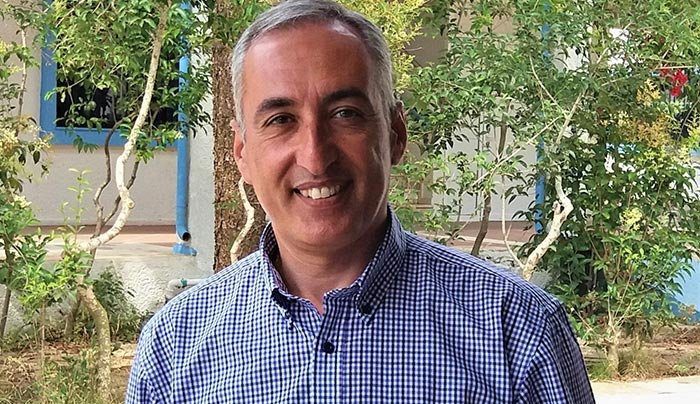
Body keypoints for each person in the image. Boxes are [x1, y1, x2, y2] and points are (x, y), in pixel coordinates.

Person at [126, 0, 595, 402]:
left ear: (395, 135)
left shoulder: (518, 332)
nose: (315, 156)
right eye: (281, 120)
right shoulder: (175, 347)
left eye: (345, 113)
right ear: (242, 153)